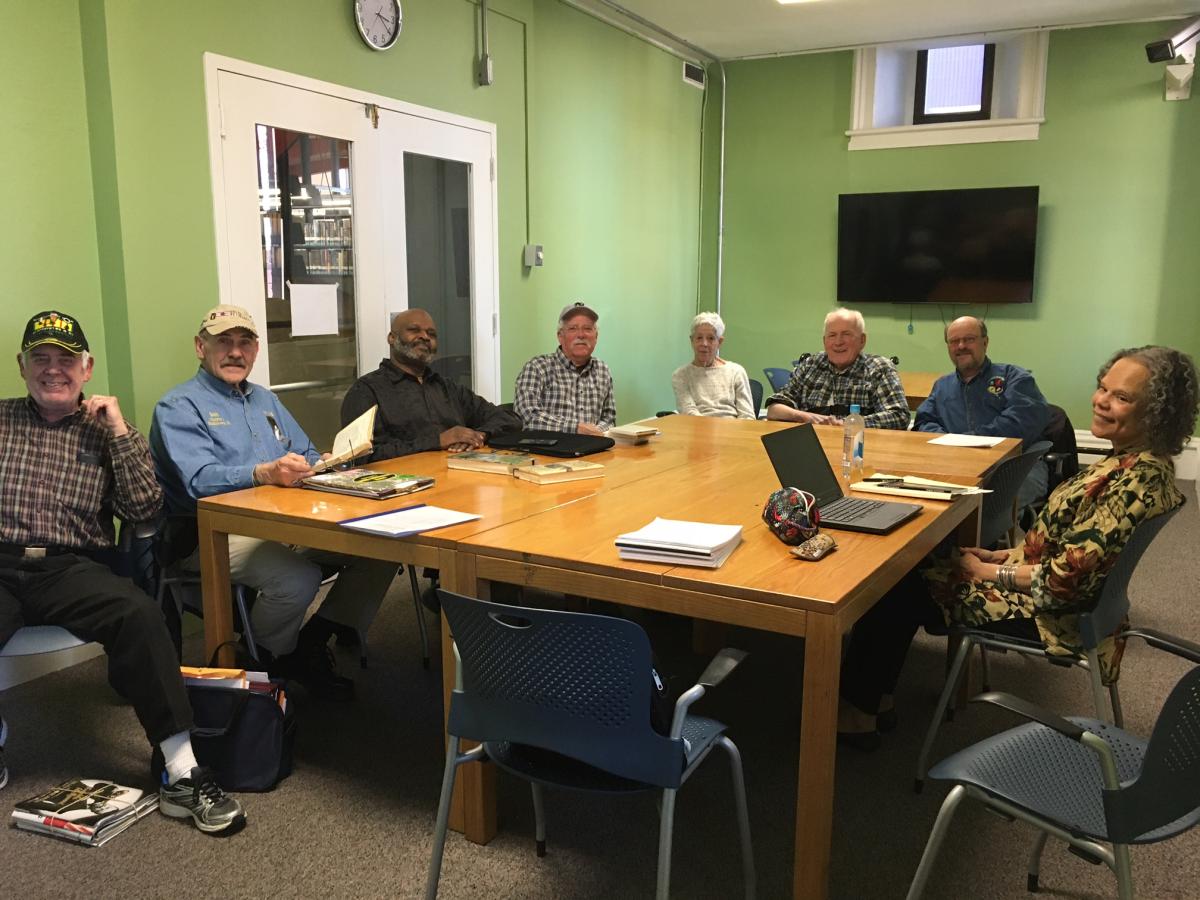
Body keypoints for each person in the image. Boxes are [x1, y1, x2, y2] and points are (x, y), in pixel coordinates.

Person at [837, 345, 1198, 750]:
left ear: (1158, 413)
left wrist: (989, 573)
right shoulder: (1134, 465)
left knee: (892, 584)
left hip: (1052, 613)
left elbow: (1064, 580)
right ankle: (877, 699)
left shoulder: (1134, 482)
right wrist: (1001, 556)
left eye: (1122, 397)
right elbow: (1071, 552)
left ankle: (859, 712)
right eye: (1103, 388)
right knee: (911, 571)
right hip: (1068, 598)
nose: (1101, 401)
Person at [0, 310, 244, 833]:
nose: (52, 370)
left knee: (139, 613)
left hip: (73, 566)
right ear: (22, 366)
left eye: (65, 360)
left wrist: (118, 431)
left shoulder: (106, 428)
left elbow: (143, 510)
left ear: (86, 369)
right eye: (40, 358)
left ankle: (182, 772)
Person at [150, 305, 397, 700]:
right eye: (223, 342)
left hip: (284, 523)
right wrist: (263, 472)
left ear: (256, 350)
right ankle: (265, 661)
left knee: (382, 547)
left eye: (244, 343)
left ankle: (308, 642)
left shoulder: (265, 399)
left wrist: (329, 468)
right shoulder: (178, 406)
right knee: (298, 579)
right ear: (201, 347)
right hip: (209, 535)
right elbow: (198, 481)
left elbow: (305, 451)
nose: (235, 352)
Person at [340, 308, 519, 458]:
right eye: (414, 330)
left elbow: (509, 419)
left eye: (431, 334)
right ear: (392, 338)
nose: (425, 337)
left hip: (458, 481)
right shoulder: (366, 391)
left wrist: (478, 435)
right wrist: (438, 441)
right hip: (401, 489)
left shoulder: (447, 388)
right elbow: (360, 456)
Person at [915, 316, 1051, 508]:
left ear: (985, 342)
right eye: (954, 341)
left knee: (981, 508)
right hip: (956, 468)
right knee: (928, 505)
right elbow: (923, 422)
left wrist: (966, 442)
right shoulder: (942, 386)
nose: (961, 346)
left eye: (969, 339)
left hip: (1012, 468)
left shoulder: (1014, 377)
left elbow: (1023, 421)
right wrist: (947, 444)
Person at [765, 308, 908, 430]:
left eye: (846, 334)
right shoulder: (810, 366)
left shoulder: (879, 369)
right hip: (814, 448)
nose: (838, 342)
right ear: (824, 341)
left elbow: (899, 416)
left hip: (861, 450)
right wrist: (808, 418)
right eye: (832, 335)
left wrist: (847, 425)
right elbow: (774, 409)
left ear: (862, 340)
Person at [514, 301, 616, 435]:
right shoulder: (537, 367)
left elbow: (609, 419)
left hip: (594, 449)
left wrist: (597, 432)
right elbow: (527, 417)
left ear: (596, 337)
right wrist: (575, 428)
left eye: (588, 328)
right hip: (550, 451)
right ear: (560, 336)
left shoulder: (602, 370)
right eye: (573, 328)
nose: (581, 335)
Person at [671, 312, 755, 419]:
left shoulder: (736, 371)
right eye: (699, 338)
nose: (704, 343)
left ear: (719, 342)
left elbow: (747, 416)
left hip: (733, 431)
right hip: (697, 430)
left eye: (711, 338)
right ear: (692, 341)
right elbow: (690, 414)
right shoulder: (680, 376)